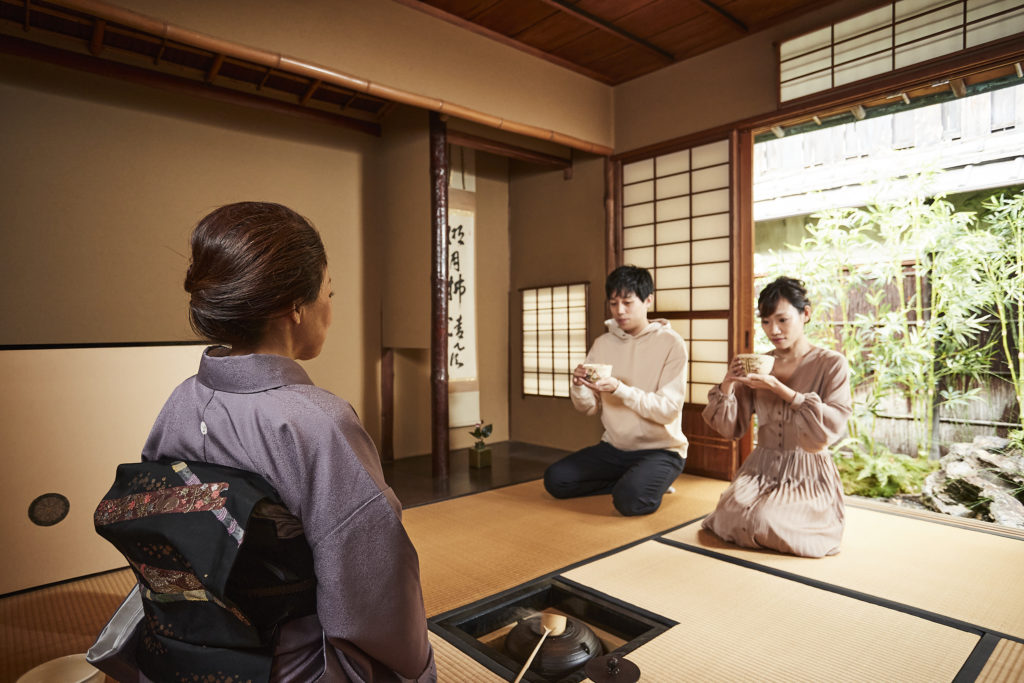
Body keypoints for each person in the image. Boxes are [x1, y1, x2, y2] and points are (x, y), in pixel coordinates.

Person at [139, 202, 435, 681]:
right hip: (289, 664)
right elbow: (371, 588)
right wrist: (415, 668)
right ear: (293, 307)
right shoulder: (317, 422)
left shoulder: (179, 402)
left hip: (189, 650)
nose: (330, 311)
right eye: (329, 294)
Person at [701, 276, 852, 558]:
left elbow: (833, 425)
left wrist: (780, 389)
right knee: (730, 514)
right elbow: (732, 427)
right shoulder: (758, 362)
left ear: (805, 314)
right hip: (760, 467)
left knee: (765, 520)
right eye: (766, 321)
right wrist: (728, 384)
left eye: (782, 320)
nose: (774, 330)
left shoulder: (832, 364)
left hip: (806, 472)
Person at [543, 265, 688, 516]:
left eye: (627, 302)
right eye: (613, 303)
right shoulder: (603, 343)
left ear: (648, 300)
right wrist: (578, 386)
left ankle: (644, 483)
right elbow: (588, 408)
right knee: (556, 480)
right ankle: (632, 481)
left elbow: (668, 411)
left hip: (661, 450)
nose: (619, 311)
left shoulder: (671, 343)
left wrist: (620, 389)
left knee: (630, 503)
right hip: (614, 448)